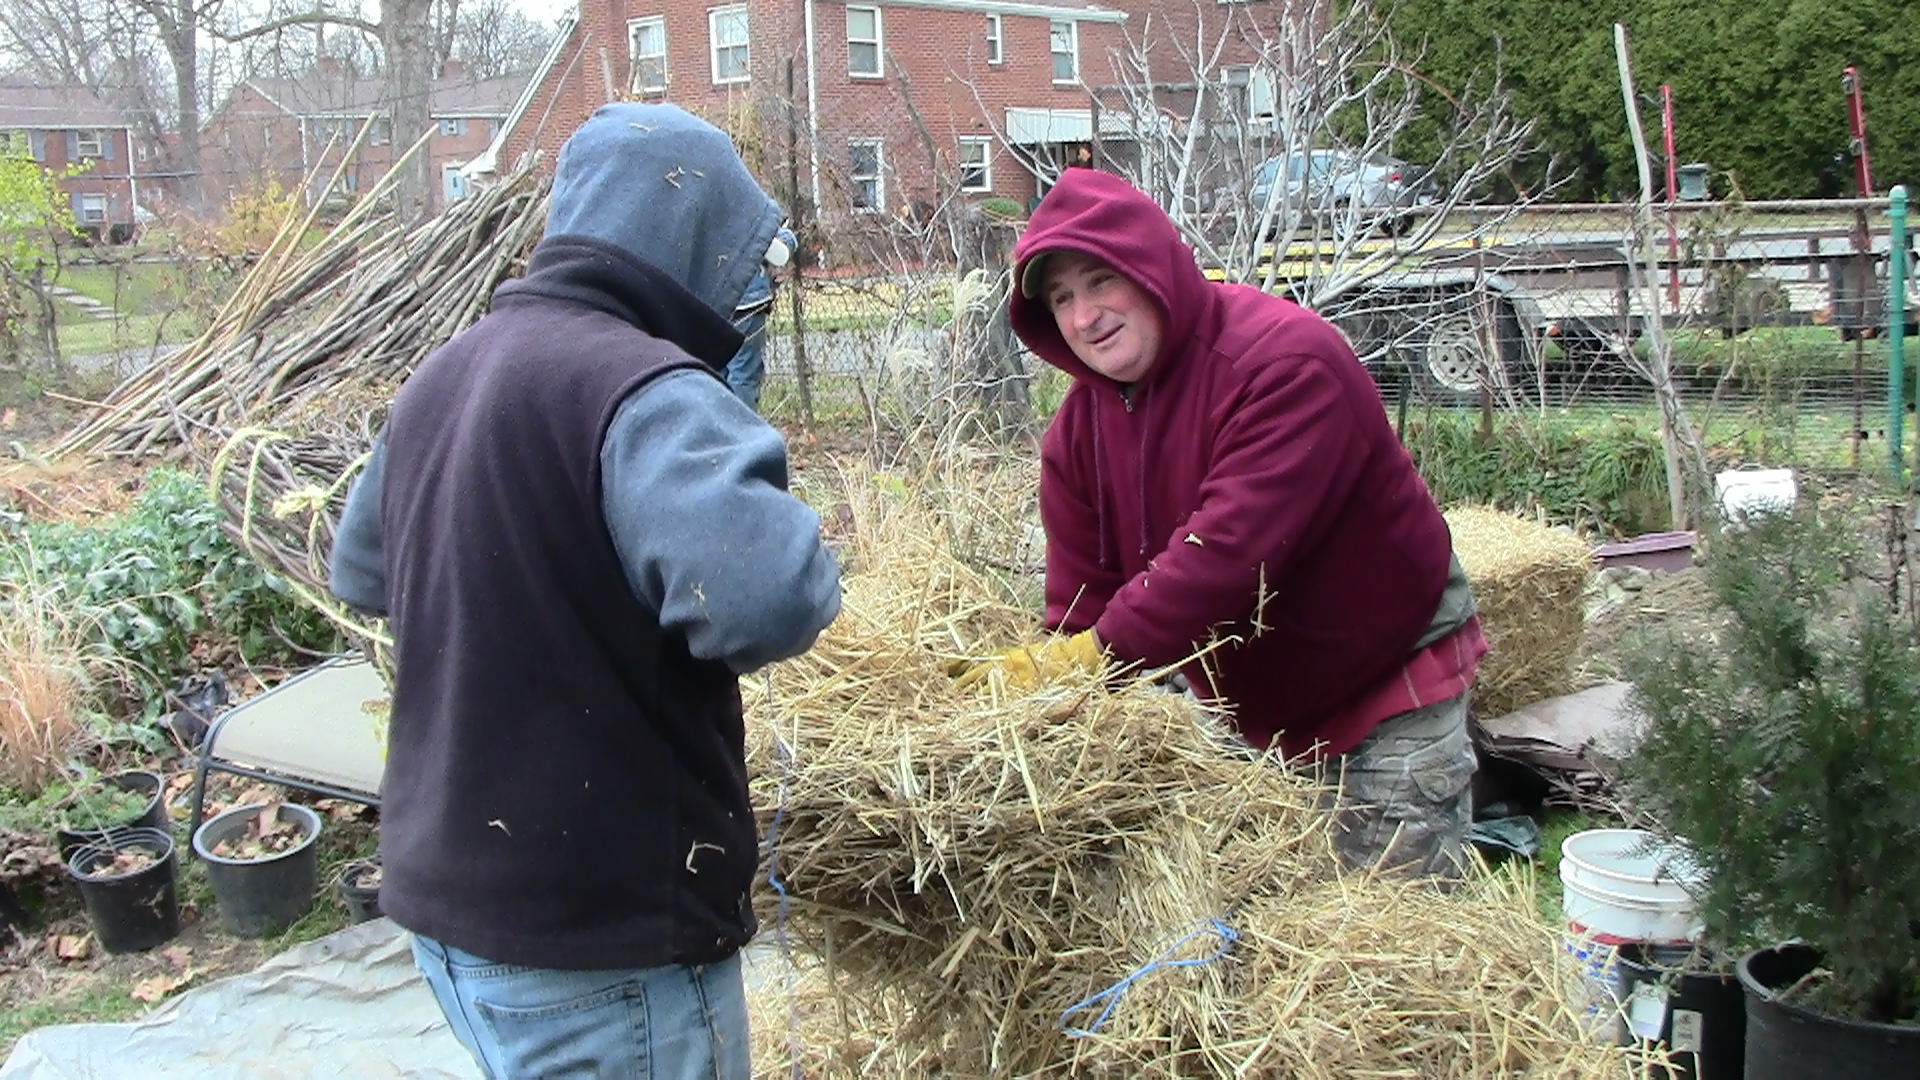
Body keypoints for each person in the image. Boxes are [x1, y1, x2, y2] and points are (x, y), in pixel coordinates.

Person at [326, 102, 842, 1079]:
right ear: (696, 235)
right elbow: (775, 598)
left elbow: (361, 571)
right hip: (603, 932)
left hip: (450, 909)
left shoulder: (444, 373)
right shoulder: (650, 390)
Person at [973, 168, 1486, 877]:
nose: (1085, 315)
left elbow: (1225, 556)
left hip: (1382, 680)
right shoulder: (1078, 433)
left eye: (1099, 282)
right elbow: (1083, 602)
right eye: (1061, 299)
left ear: (1148, 267)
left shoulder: (1284, 363)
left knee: (1384, 936)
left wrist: (1094, 657)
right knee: (1258, 927)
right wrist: (1054, 691)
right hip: (1254, 707)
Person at [724, 223, 796, 411]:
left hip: (708, 301)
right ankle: (741, 432)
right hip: (747, 301)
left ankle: (717, 434)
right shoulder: (746, 202)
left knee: (713, 374)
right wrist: (785, 239)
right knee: (743, 374)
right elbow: (782, 245)